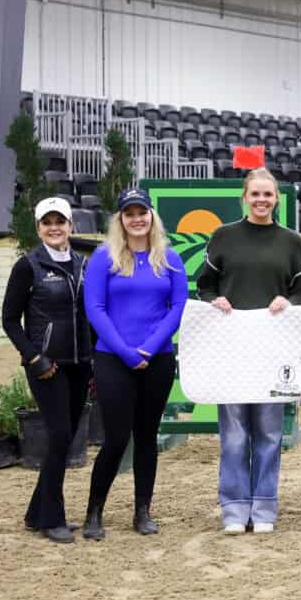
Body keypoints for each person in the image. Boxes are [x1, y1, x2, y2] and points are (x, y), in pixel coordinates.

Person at [197, 168, 301, 534]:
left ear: (277, 199)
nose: (262, 201)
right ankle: (233, 507)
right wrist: (217, 300)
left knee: (269, 433)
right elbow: (205, 286)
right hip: (232, 350)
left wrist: (286, 300)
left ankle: (264, 507)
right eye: (255, 194)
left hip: (273, 353)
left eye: (268, 195)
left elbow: (299, 293)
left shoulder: (291, 242)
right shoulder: (224, 237)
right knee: (233, 434)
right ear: (244, 197)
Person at [82, 188, 187, 540]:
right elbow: (94, 309)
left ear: (152, 216)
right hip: (113, 358)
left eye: (142, 212)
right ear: (120, 219)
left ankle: (142, 510)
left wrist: (150, 347)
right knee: (115, 438)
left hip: (156, 359)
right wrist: (127, 352)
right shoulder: (102, 258)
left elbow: (177, 306)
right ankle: (94, 511)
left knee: (146, 437)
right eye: (130, 213)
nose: (137, 219)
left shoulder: (170, 258)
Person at [2, 197, 92, 544]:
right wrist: (33, 357)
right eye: (47, 222)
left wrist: (94, 358)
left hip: (80, 364)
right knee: (57, 437)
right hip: (47, 367)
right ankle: (51, 518)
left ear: (71, 225)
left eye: (60, 221)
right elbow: (10, 319)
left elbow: (90, 313)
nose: (54, 228)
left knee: (66, 438)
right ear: (38, 227)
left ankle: (34, 512)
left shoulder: (83, 264)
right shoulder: (28, 266)